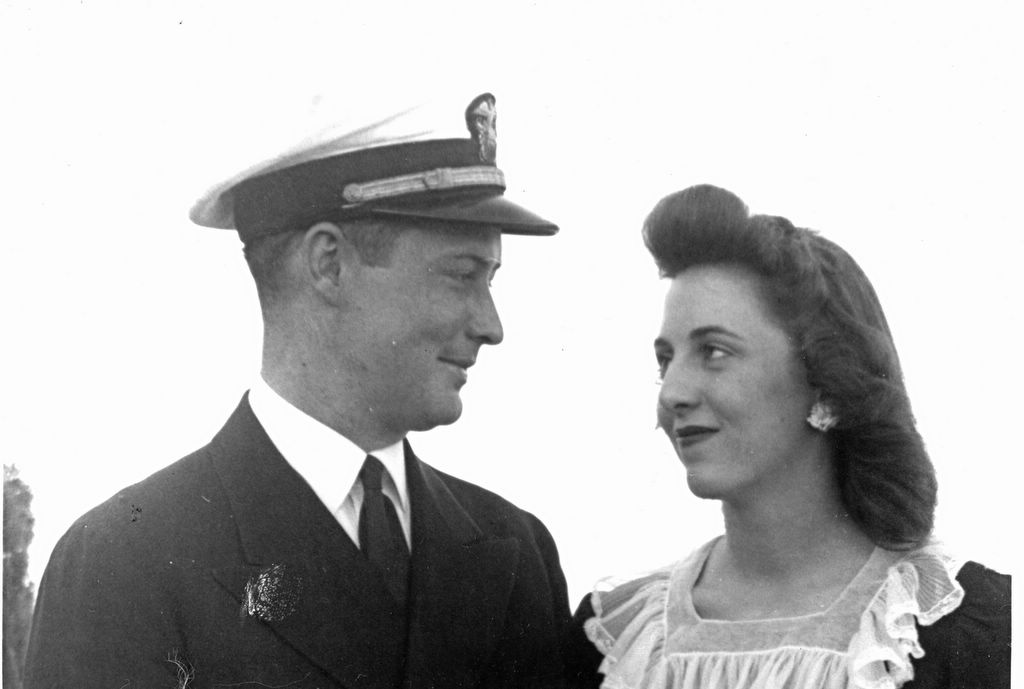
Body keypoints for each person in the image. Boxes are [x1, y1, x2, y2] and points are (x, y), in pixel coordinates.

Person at [25, 93, 571, 689]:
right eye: (462, 276)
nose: (491, 325)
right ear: (328, 263)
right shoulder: (124, 563)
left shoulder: (517, 552)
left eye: (490, 281)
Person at [565, 185, 1010, 688]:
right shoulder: (614, 638)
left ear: (826, 385)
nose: (672, 393)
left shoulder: (965, 628)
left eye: (714, 352)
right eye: (665, 360)